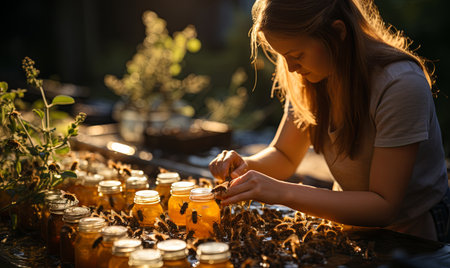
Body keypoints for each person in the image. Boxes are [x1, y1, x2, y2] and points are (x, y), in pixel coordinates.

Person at [209, 0, 449, 242]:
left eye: (297, 55)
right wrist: (245, 167)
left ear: (337, 32)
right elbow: (284, 155)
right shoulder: (315, 76)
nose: (291, 68)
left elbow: (383, 206)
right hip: (348, 226)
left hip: (411, 233)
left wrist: (281, 192)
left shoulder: (400, 84)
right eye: (283, 57)